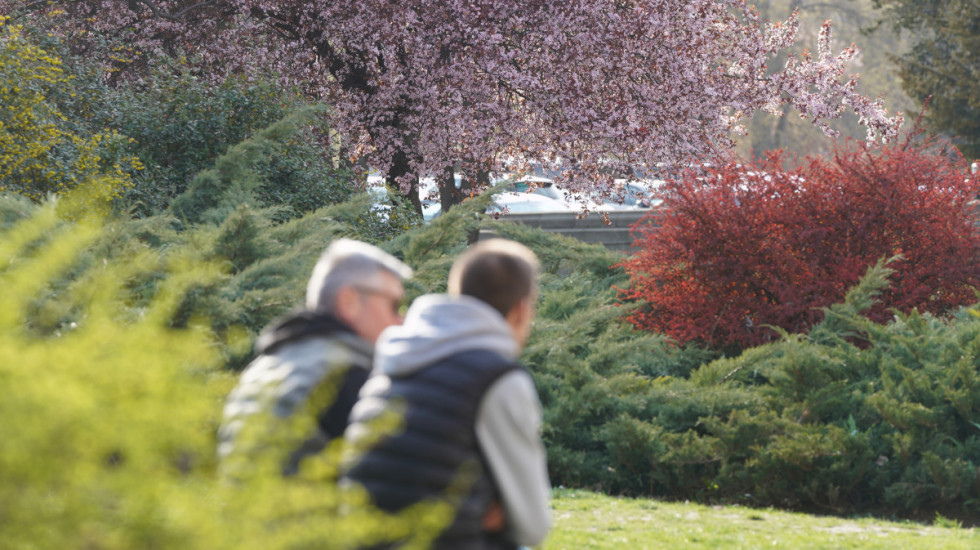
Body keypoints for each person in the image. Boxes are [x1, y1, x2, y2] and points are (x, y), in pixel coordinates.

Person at [342, 239, 552, 550]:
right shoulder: (498, 379)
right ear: (522, 309)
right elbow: (533, 527)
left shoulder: (393, 362)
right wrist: (491, 507)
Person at [217, 238, 412, 478]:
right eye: (395, 305)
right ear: (349, 301)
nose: (401, 320)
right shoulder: (346, 377)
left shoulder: (261, 367)